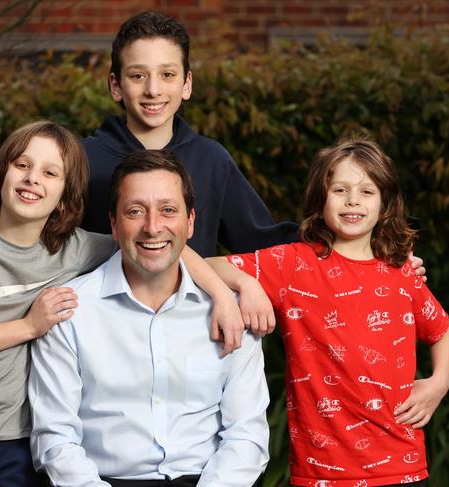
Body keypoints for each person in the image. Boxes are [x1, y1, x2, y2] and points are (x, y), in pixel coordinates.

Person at [0, 121, 244, 486]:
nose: (32, 179)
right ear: (1, 170)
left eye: (50, 172)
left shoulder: (76, 249)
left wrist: (224, 293)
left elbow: (159, 245)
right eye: (21, 165)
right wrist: (30, 326)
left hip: (19, 438)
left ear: (65, 192)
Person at [0, 10, 297, 260]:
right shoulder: (80, 159)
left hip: (188, 334)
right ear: (116, 86)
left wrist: (336, 231)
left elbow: (263, 244)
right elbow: (11, 222)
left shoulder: (211, 160)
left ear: (187, 84)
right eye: (138, 76)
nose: (153, 90)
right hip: (94, 338)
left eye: (167, 75)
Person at [207, 136, 449, 487]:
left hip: (401, 463)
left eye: (367, 191)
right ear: (320, 200)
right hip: (322, 469)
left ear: (385, 204)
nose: (353, 200)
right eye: (340, 189)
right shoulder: (292, 264)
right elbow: (206, 264)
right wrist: (244, 285)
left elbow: (442, 330)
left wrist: (439, 382)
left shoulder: (403, 273)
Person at [29, 149, 270, 487]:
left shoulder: (230, 312)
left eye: (168, 210)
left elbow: (247, 436)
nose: (153, 227)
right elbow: (55, 440)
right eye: (135, 211)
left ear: (190, 223)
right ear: (113, 224)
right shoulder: (69, 310)